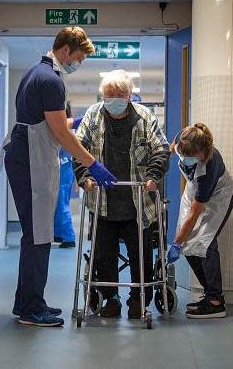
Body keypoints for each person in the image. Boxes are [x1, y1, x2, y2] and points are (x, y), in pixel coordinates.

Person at [3, 26, 117, 327]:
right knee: (39, 235)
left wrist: (75, 120)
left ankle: (28, 302)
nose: (77, 63)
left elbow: (47, 122)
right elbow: (60, 134)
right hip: (31, 161)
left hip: (25, 156)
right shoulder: (51, 81)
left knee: (35, 234)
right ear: (65, 50)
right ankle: (31, 309)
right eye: (78, 57)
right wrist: (93, 163)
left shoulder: (35, 74)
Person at [73, 70, 170, 319]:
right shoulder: (93, 115)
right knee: (103, 255)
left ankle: (138, 298)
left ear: (129, 96)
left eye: (119, 95)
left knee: (141, 255)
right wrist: (84, 178)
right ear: (102, 95)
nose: (113, 99)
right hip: (103, 201)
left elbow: (161, 149)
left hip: (137, 201)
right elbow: (78, 148)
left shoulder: (145, 117)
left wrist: (153, 176)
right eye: (109, 95)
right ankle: (111, 298)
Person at [166, 123, 233, 319]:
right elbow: (171, 149)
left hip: (217, 195)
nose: (184, 159)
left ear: (202, 153)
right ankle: (209, 294)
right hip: (193, 188)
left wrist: (176, 243)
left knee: (205, 244)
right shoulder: (184, 137)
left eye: (190, 157)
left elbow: (194, 215)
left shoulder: (209, 169)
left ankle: (215, 302)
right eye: (182, 154)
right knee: (188, 244)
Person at [54, 104, 78, 249]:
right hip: (64, 170)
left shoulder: (66, 130)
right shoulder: (65, 129)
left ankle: (69, 236)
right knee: (59, 204)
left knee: (62, 204)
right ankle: (61, 234)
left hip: (63, 170)